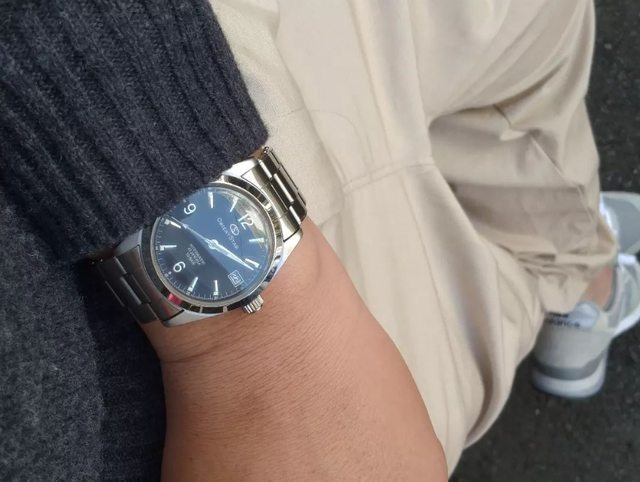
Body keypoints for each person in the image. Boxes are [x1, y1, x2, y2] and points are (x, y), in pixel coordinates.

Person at [1, 0, 638, 480]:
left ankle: (579, 284)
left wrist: (256, 336)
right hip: (235, 408)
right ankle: (585, 285)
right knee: (536, 238)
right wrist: (254, 346)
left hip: (189, 143)